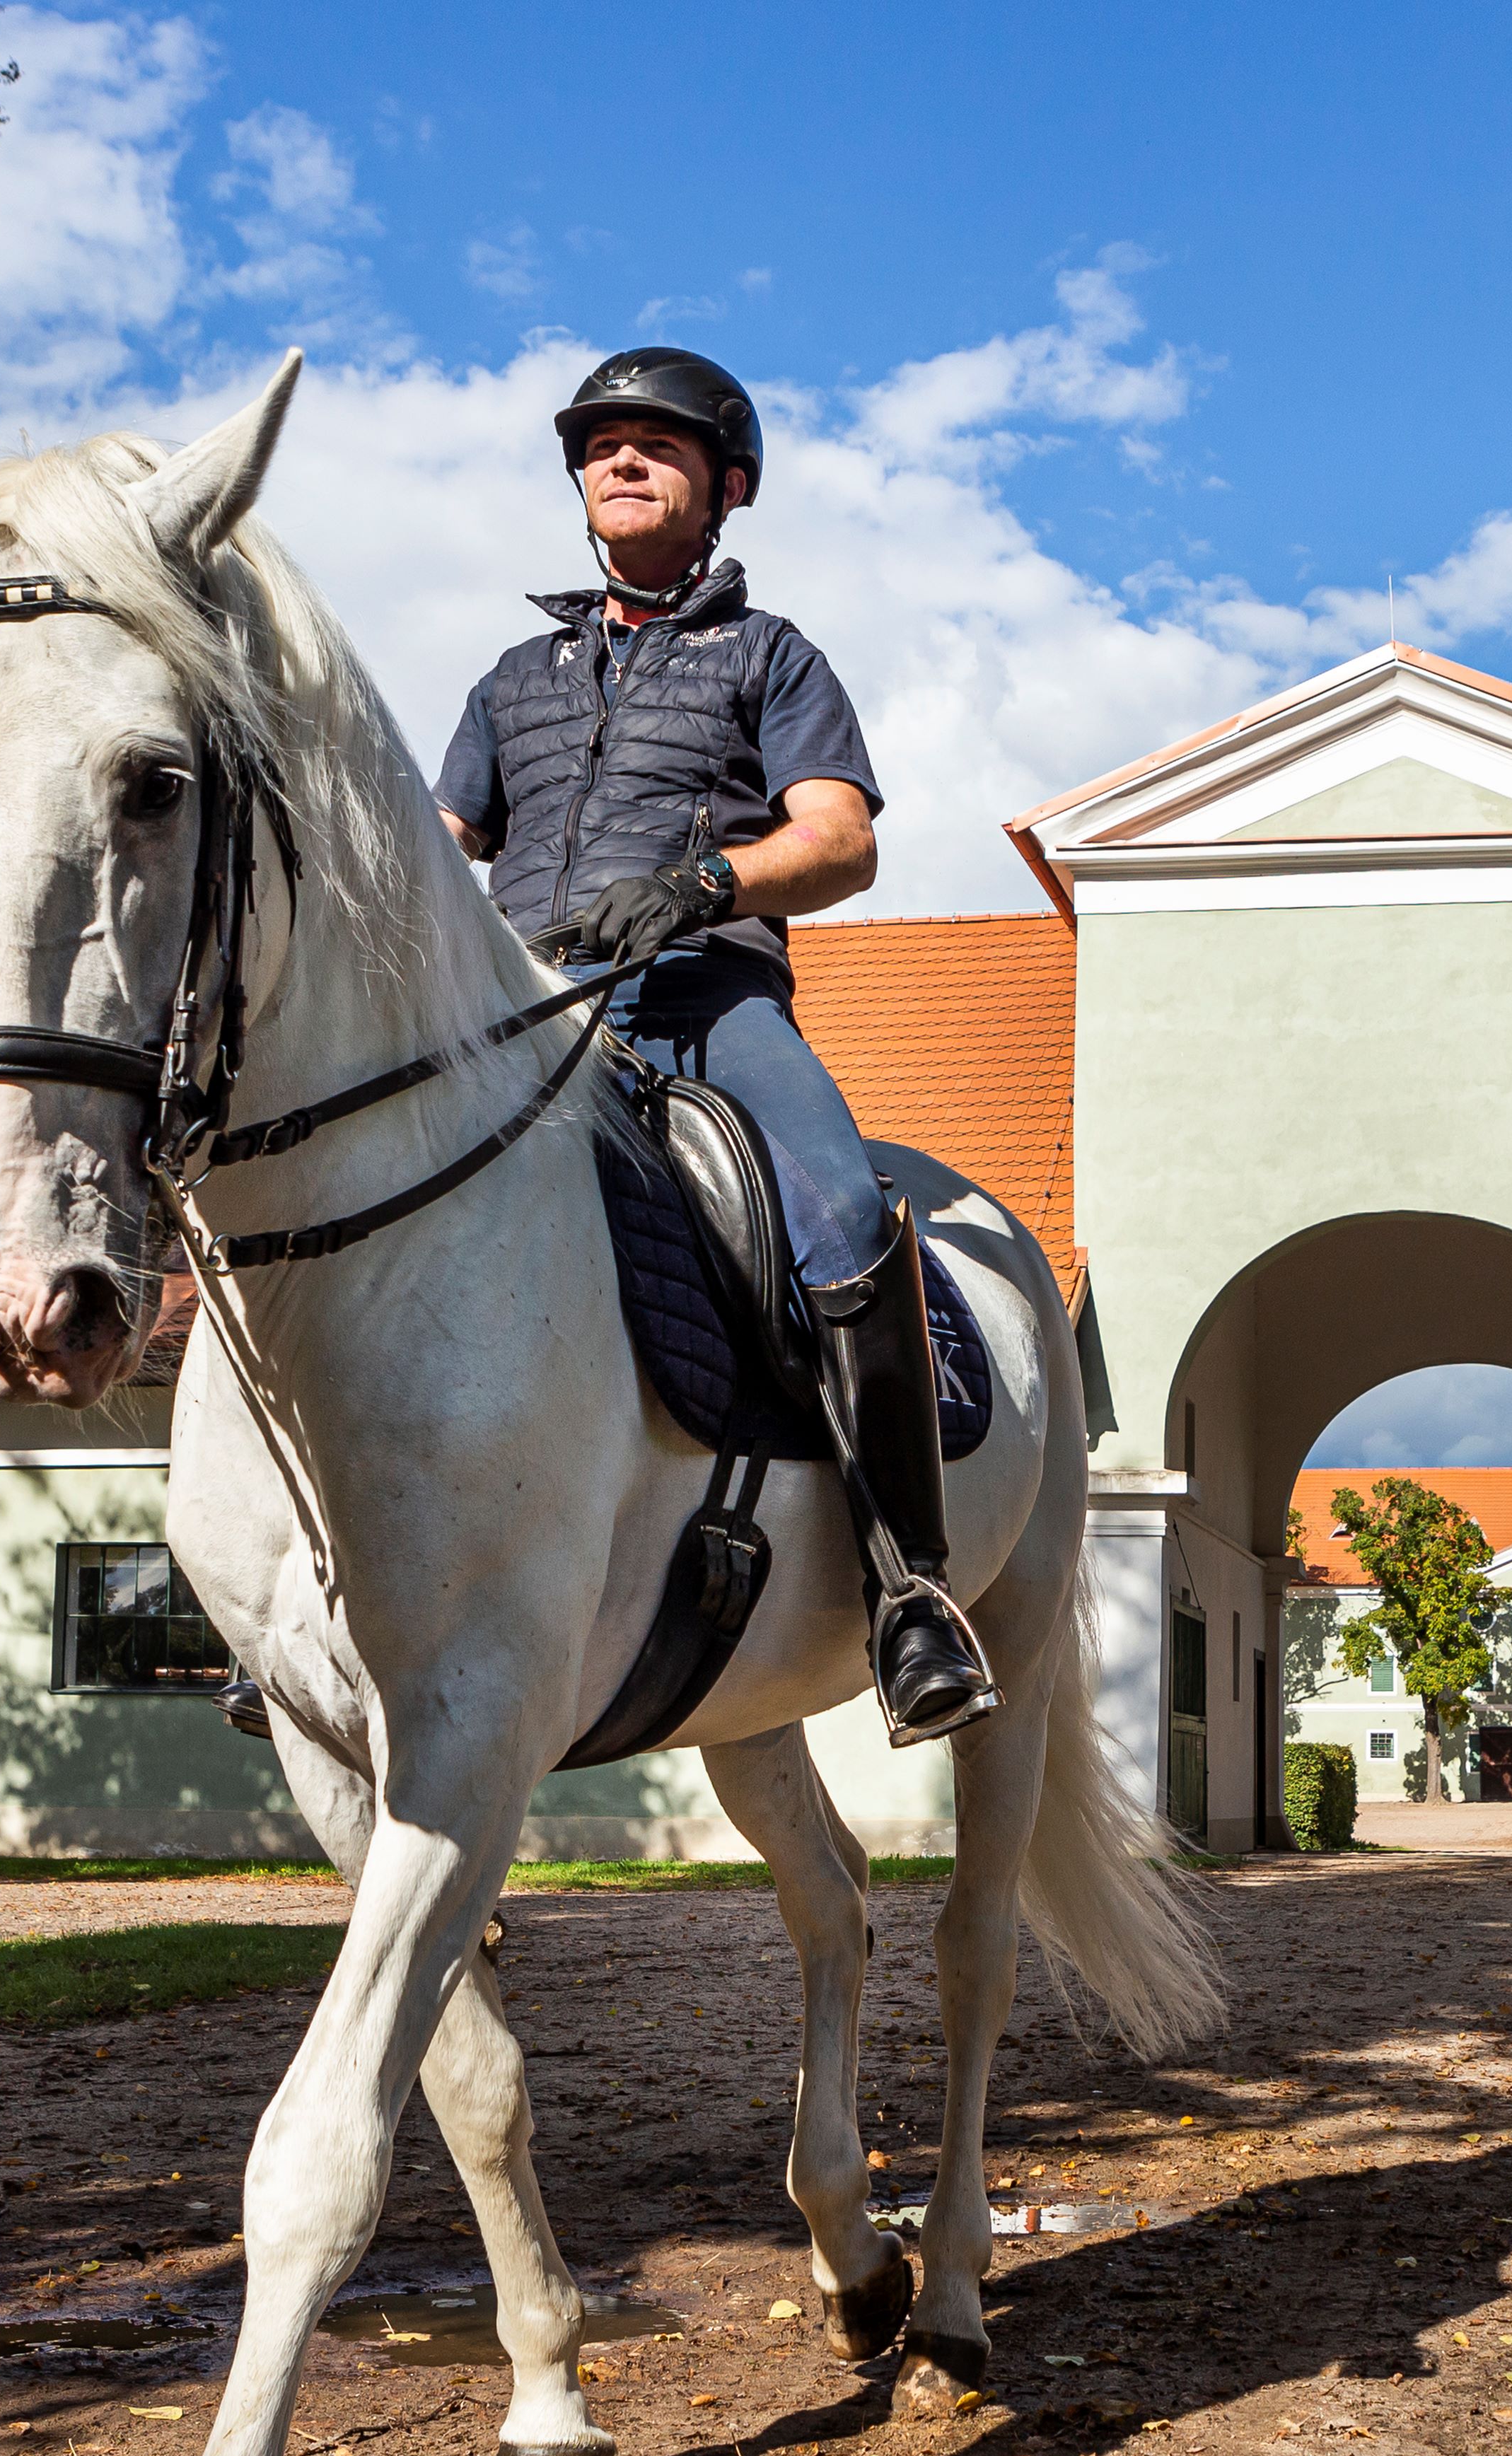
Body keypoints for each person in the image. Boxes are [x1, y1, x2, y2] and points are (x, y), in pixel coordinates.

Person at [433, 346, 999, 1747]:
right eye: (598, 445)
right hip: (524, 1008)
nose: (619, 460)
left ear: (727, 483)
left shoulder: (771, 655)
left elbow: (841, 840)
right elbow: (437, 852)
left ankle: (909, 1591)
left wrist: (703, 885)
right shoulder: (510, 681)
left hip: (703, 1000)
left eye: (656, 444)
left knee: (844, 1214)